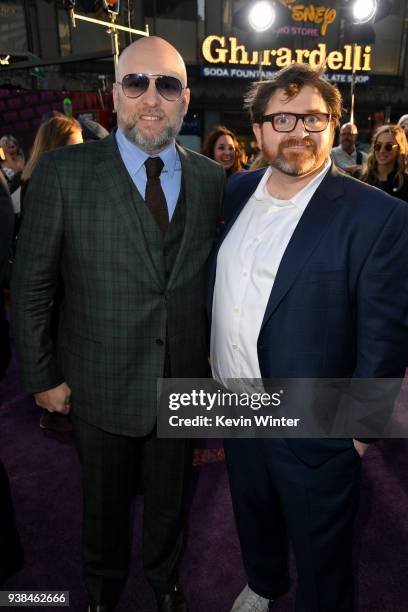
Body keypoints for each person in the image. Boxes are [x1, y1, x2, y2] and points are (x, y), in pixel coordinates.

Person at [12, 36, 225, 612]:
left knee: (170, 499)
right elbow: (33, 287)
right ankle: (102, 592)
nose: (151, 98)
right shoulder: (62, 174)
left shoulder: (211, 180)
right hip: (97, 380)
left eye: (168, 85)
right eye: (137, 83)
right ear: (114, 94)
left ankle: (163, 580)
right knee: (102, 504)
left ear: (185, 100)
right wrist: (41, 376)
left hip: (182, 381)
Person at [208, 63, 408, 612]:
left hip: (315, 421)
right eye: (283, 118)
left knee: (324, 553)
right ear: (258, 131)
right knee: (253, 509)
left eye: (315, 118)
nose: (299, 130)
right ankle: (264, 581)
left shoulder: (380, 217)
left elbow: (385, 337)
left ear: (336, 125)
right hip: (234, 402)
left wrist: (360, 432)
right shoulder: (234, 192)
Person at [20, 114, 83, 432]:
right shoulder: (43, 187)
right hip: (57, 299)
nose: (83, 154)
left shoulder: (33, 181)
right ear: (57, 148)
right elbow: (33, 284)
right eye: (76, 147)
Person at [361, 124, 408, 202]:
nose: (382, 151)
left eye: (388, 146)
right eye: (378, 146)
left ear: (399, 149)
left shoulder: (405, 183)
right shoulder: (362, 177)